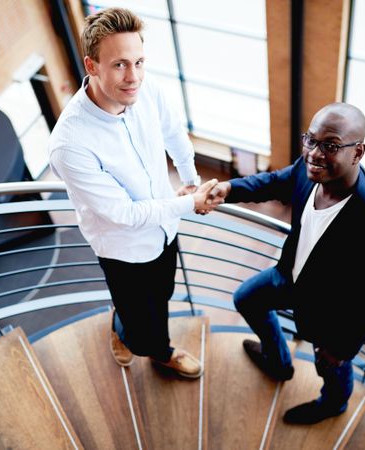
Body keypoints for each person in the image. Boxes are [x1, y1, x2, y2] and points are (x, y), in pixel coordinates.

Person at [207, 102, 365, 423]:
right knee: (247, 298)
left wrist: (341, 349)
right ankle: (278, 360)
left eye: (330, 145)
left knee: (329, 365)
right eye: (310, 140)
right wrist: (227, 189)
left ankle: (333, 404)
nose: (314, 152)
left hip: (332, 311)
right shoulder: (307, 168)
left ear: (358, 153)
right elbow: (273, 182)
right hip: (289, 276)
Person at [48, 7, 218, 379]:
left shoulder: (146, 87)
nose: (134, 76)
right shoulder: (69, 143)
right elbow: (123, 213)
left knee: (164, 294)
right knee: (143, 328)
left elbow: (174, 132)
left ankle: (123, 319)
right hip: (123, 250)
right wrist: (190, 202)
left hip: (164, 230)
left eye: (139, 61)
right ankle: (157, 351)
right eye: (120, 65)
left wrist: (190, 179)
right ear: (91, 66)